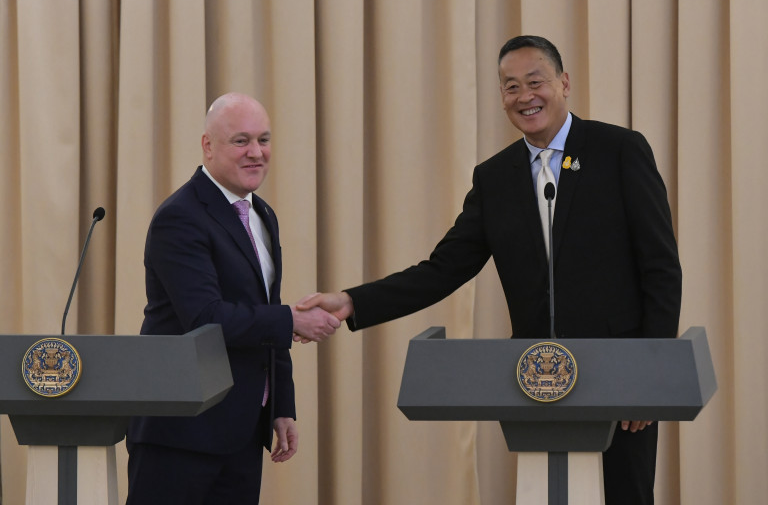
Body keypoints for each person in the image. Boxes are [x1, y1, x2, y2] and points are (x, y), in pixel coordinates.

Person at [298, 35, 682, 505]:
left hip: (620, 378)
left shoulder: (619, 150)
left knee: (627, 495)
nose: (524, 96)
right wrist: (352, 301)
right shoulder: (495, 177)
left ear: (564, 83)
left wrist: (647, 378)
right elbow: (442, 269)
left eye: (535, 82)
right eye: (511, 86)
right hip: (537, 380)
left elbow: (661, 268)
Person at [126, 92, 341, 504]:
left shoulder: (262, 214)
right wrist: (291, 320)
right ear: (208, 146)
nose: (256, 152)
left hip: (241, 432)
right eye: (241, 141)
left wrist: (280, 405)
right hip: (180, 433)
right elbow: (206, 318)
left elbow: (264, 308)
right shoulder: (180, 217)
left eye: (263, 139)